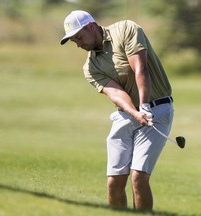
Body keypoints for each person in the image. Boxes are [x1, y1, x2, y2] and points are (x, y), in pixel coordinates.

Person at [60, 10, 174, 211]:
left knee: (138, 176)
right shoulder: (90, 67)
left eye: (79, 37)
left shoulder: (126, 29)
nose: (78, 44)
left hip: (158, 108)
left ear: (91, 26)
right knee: (114, 181)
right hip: (126, 114)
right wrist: (135, 112)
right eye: (73, 41)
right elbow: (116, 94)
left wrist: (145, 107)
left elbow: (141, 69)